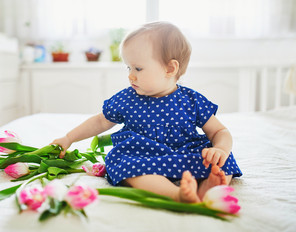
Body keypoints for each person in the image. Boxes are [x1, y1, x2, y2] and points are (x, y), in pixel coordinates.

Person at [50, 21, 242, 203]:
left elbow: (219, 132)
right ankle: (176, 194)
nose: (130, 75)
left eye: (138, 68)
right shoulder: (128, 98)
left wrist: (220, 149)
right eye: (128, 67)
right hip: (142, 155)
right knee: (123, 164)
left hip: (185, 153)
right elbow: (100, 121)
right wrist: (69, 138)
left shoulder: (191, 100)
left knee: (223, 161)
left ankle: (207, 188)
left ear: (170, 68)